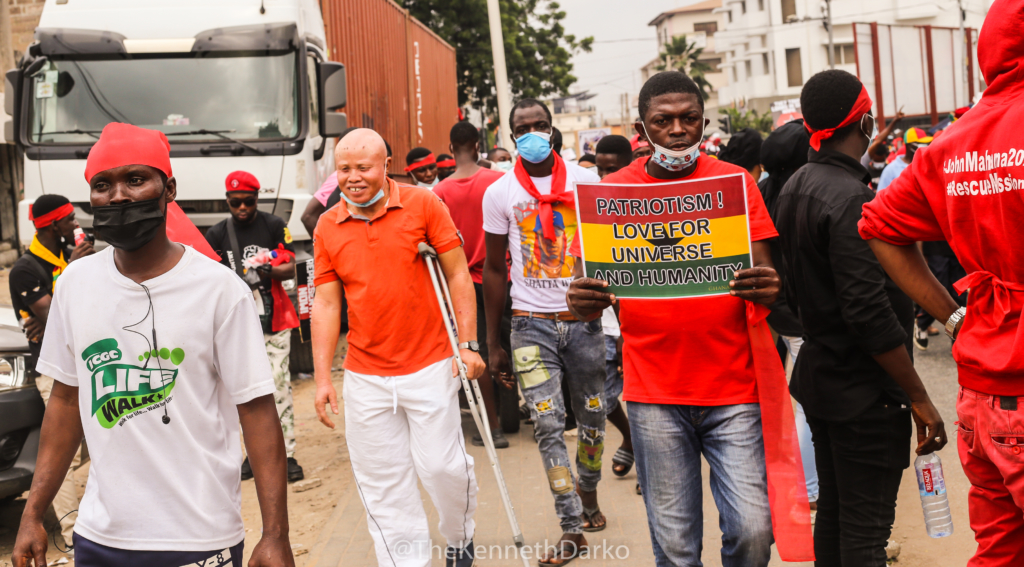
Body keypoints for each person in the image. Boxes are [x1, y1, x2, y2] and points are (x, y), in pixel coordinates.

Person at [11, 122, 293, 567]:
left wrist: (275, 535)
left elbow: (257, 412)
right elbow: (65, 402)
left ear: (169, 189)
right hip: (99, 538)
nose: (118, 195)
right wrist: (32, 514)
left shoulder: (219, 290)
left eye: (135, 179)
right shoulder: (75, 285)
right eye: (102, 185)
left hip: (198, 538)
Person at [566, 71, 781, 567]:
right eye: (664, 121)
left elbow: (767, 273)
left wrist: (770, 284)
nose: (678, 130)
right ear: (643, 128)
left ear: (704, 122)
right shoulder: (612, 194)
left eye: (689, 119)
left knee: (753, 531)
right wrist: (581, 299)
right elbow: (584, 294)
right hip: (653, 394)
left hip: (735, 390)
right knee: (676, 546)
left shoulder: (734, 183)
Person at [858, 1, 1024, 561]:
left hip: (980, 395)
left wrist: (953, 316)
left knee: (999, 548)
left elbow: (878, 226)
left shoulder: (953, 141)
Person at [774, 69, 947, 565]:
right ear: (865, 121)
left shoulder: (799, 184)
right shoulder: (851, 198)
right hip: (863, 395)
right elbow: (867, 311)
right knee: (866, 534)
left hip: (824, 381)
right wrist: (918, 396)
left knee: (836, 516)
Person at [311, 128, 484, 567]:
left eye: (363, 167)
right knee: (383, 482)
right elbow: (327, 305)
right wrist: (321, 379)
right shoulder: (328, 225)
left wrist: (468, 345)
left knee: (442, 468)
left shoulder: (424, 203)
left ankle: (459, 537)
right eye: (344, 168)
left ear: (386, 165)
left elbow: (459, 275)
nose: (353, 177)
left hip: (430, 363)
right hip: (365, 374)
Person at [482, 98, 605, 565]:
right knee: (549, 425)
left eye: (539, 125)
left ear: (553, 130)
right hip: (530, 325)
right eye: (522, 128)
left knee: (593, 419)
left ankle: (588, 489)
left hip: (585, 324)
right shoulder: (499, 192)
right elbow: (495, 270)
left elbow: (610, 249)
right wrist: (494, 343)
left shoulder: (586, 182)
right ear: (511, 135)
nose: (531, 133)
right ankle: (571, 525)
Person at [205, 171, 304, 483]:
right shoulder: (217, 233)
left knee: (278, 385)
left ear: (257, 199)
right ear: (227, 201)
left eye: (248, 201)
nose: (242, 208)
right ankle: (252, 454)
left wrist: (267, 270)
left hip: (274, 320)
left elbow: (290, 267)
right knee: (243, 393)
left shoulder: (273, 225)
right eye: (235, 203)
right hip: (235, 325)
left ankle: (286, 454)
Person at [8, 194, 94, 551]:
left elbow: (77, 310)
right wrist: (72, 272)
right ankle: (74, 535)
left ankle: (85, 519)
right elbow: (56, 317)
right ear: (52, 224)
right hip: (56, 373)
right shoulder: (26, 269)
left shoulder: (63, 257)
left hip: (86, 364)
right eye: (70, 219)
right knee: (66, 453)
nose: (76, 224)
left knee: (94, 444)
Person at [432, 121, 509, 449]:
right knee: (510, 344)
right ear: (478, 145)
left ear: (451, 149)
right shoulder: (499, 180)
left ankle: (492, 428)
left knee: (475, 349)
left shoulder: (440, 193)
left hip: (462, 283)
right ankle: (519, 416)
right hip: (503, 278)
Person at [757, 119, 818, 512]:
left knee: (792, 400)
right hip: (795, 316)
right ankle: (808, 489)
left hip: (772, 311)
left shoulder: (761, 192)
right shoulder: (799, 195)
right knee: (805, 404)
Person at [590, 134, 636, 480]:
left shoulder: (643, 206)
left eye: (613, 169)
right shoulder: (592, 208)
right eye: (600, 169)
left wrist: (625, 332)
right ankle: (632, 438)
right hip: (601, 325)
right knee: (604, 400)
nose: (606, 177)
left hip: (634, 326)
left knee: (640, 399)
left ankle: (650, 467)